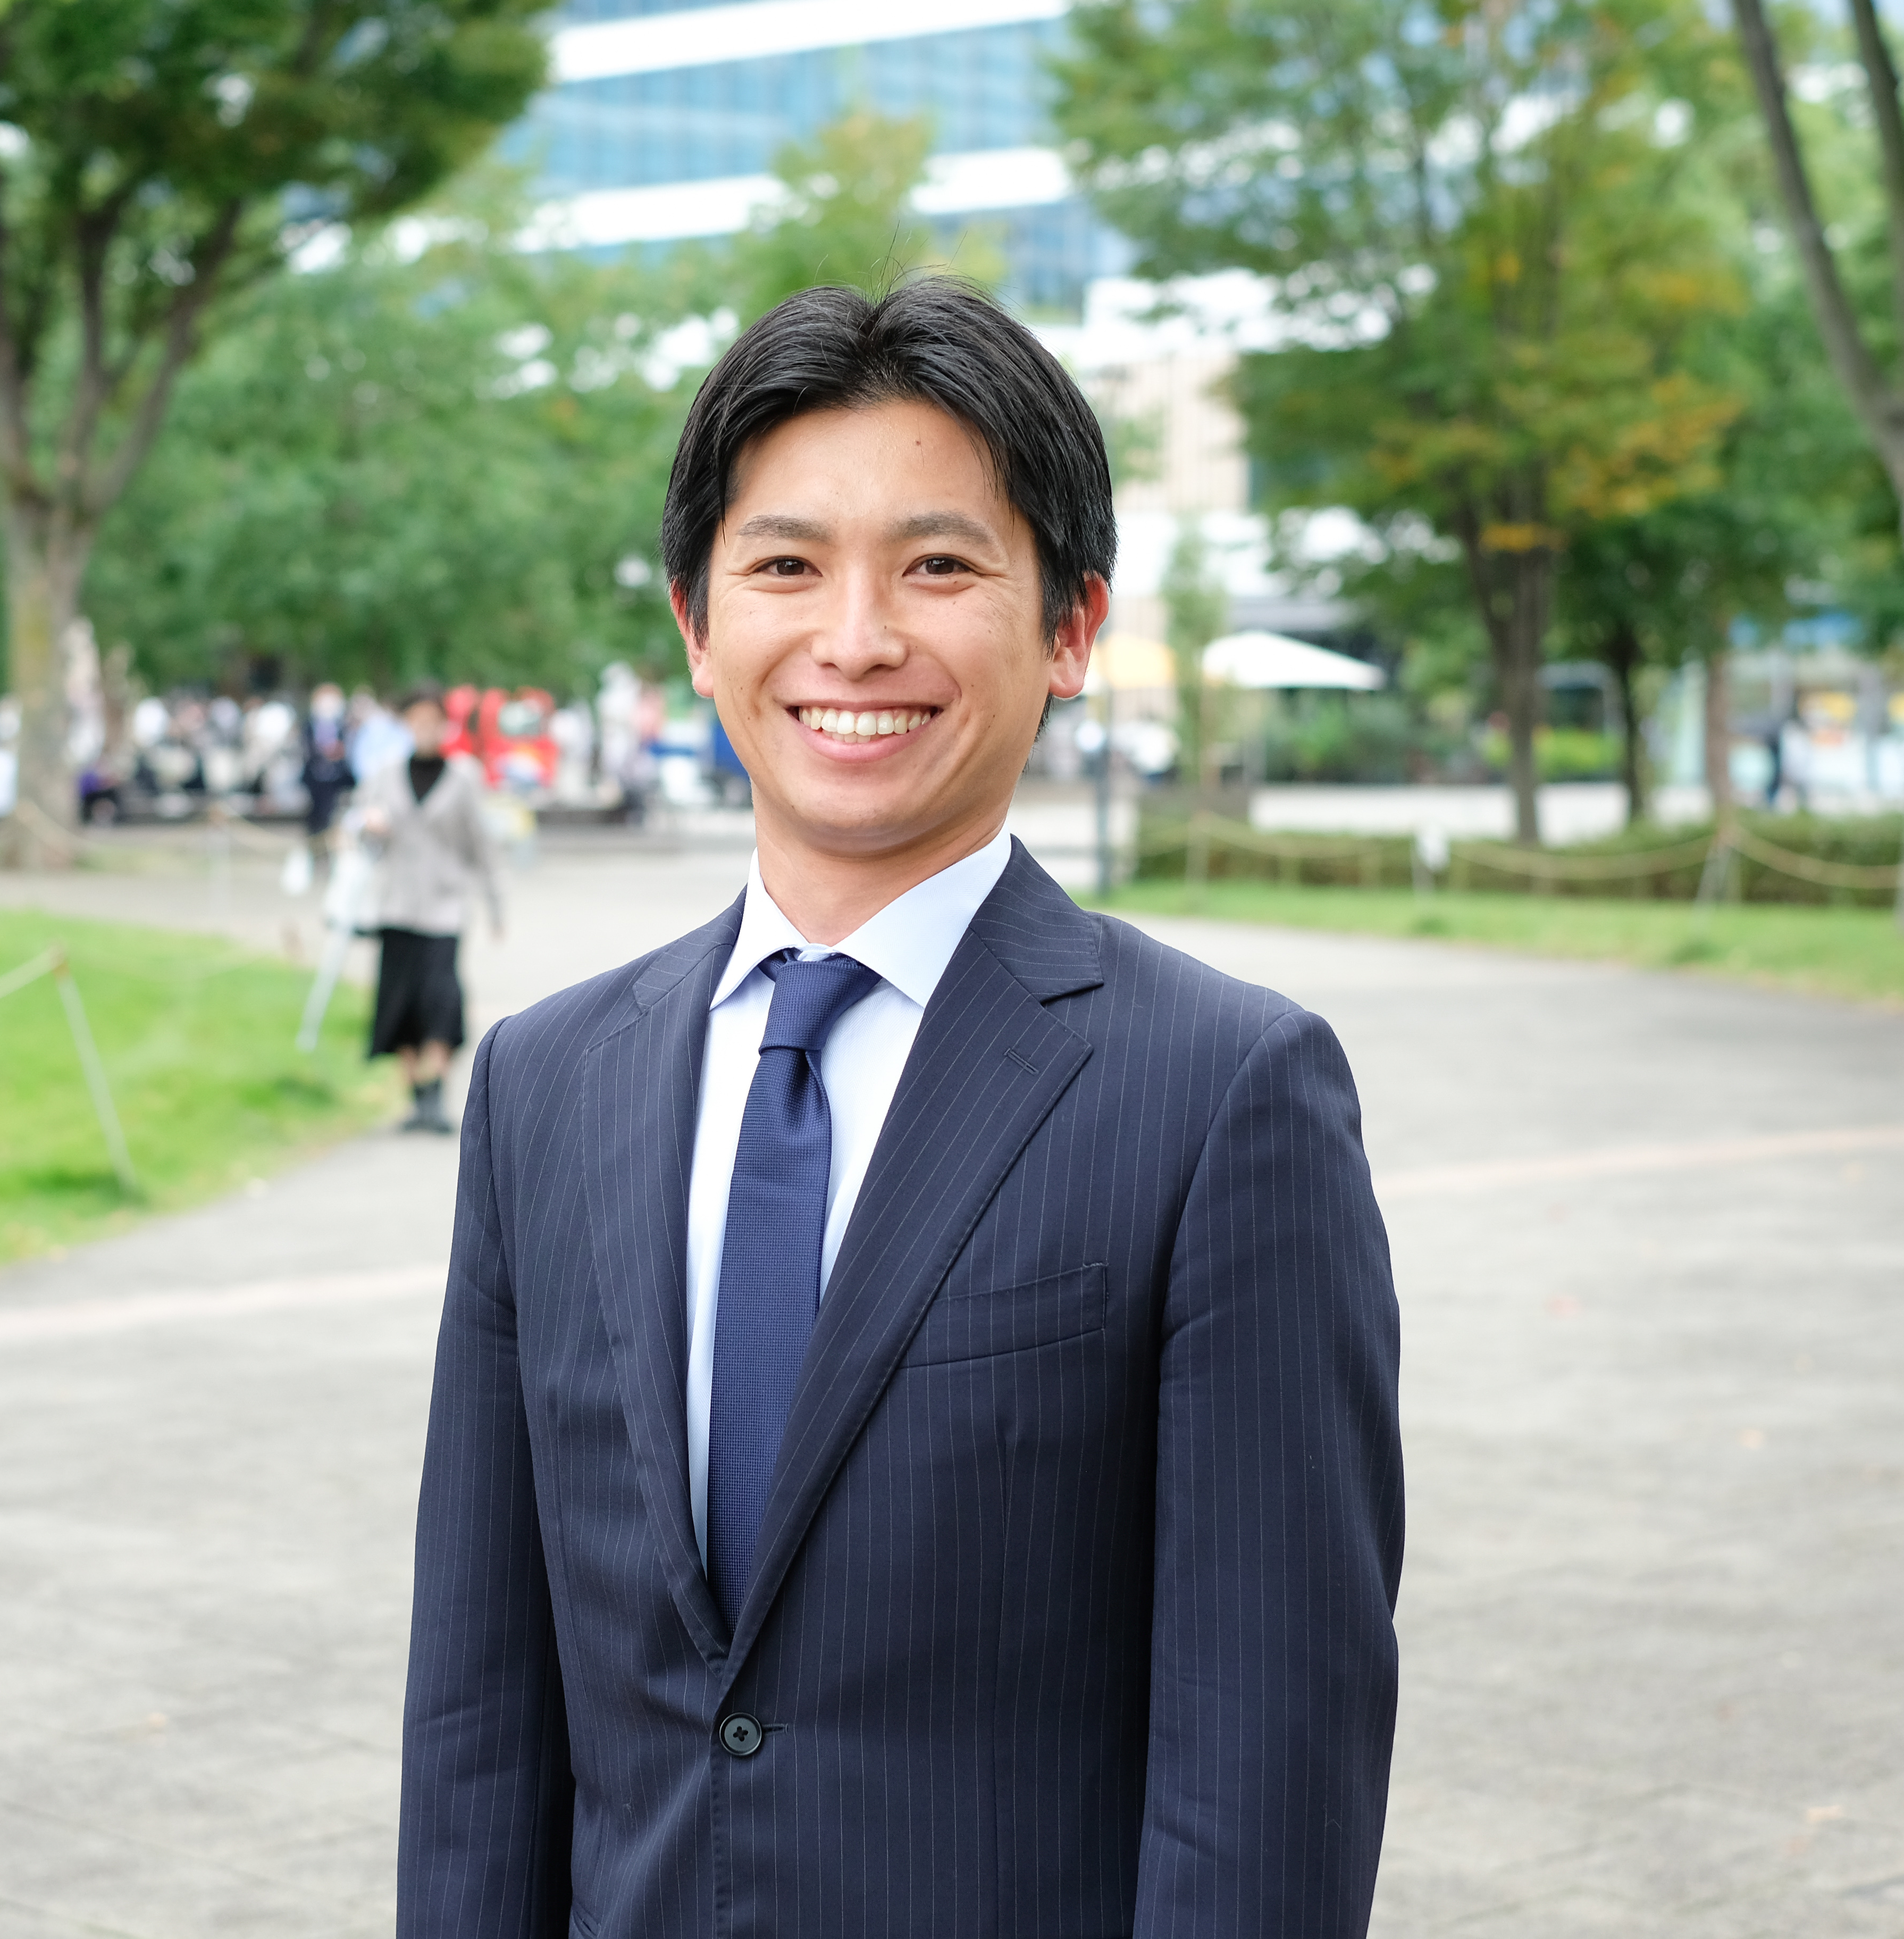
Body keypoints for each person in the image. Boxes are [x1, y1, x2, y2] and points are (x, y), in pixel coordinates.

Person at [399, 280, 1402, 1937]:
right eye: (785, 567)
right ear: (694, 624)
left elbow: (1264, 1777)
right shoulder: (544, 1085)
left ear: (1069, 626)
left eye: (937, 566)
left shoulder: (1223, 1095)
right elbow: (476, 1719)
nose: (854, 639)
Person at [358, 681, 502, 1133]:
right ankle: (414, 1096)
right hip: (397, 904)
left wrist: (496, 905)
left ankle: (437, 1089)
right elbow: (362, 839)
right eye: (416, 720)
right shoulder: (384, 774)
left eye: (432, 720)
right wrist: (369, 827)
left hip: (445, 906)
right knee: (398, 999)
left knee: (441, 998)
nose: (424, 728)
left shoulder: (464, 776)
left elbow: (481, 845)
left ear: (445, 724)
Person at [300, 682, 355, 862]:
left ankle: (333, 857)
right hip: (314, 781)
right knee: (315, 820)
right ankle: (315, 856)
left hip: (337, 781)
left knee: (334, 818)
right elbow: (306, 749)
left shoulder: (344, 725)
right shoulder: (309, 725)